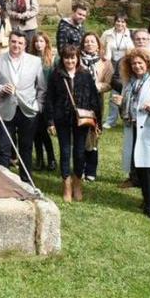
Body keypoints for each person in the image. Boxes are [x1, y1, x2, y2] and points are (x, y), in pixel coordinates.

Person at [114, 47, 150, 220]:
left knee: (148, 169)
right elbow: (130, 104)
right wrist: (122, 102)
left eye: (140, 63)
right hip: (132, 129)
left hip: (149, 131)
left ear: (148, 64)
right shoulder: (129, 83)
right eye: (133, 64)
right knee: (138, 166)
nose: (137, 66)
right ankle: (146, 199)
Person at [0, 31, 47, 184]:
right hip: (5, 109)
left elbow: (41, 87)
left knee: (26, 148)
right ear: (9, 42)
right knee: (3, 148)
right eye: (14, 42)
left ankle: (26, 181)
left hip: (27, 109)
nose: (16, 45)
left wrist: (38, 105)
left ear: (25, 45)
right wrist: (1, 88)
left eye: (20, 43)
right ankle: (1, 182)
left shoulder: (35, 61)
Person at [45, 44, 101, 202]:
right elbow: (49, 99)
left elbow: (94, 99)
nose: (70, 60)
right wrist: (50, 121)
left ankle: (77, 182)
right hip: (61, 118)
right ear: (62, 59)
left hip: (81, 120)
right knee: (65, 152)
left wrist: (97, 122)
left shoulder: (85, 75)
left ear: (77, 58)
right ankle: (67, 184)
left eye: (73, 57)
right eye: (67, 57)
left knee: (79, 152)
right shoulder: (56, 75)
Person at [79, 32, 112, 182]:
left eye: (92, 42)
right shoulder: (78, 60)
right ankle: (79, 167)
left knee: (93, 134)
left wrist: (98, 86)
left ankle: (91, 170)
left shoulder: (105, 63)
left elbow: (109, 82)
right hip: (79, 102)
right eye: (86, 42)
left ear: (98, 45)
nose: (89, 44)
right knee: (80, 134)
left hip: (96, 103)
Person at [100, 14, 133, 129]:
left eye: (123, 22)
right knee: (113, 92)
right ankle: (111, 120)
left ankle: (127, 116)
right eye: (118, 21)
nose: (120, 24)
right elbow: (101, 46)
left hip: (125, 65)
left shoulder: (130, 35)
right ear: (114, 22)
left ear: (126, 23)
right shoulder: (107, 33)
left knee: (126, 91)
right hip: (111, 64)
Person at [31, 33, 57, 172]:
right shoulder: (30, 58)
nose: (38, 44)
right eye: (36, 41)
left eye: (41, 41)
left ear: (46, 43)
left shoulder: (52, 59)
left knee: (44, 130)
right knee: (35, 131)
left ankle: (51, 158)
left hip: (48, 98)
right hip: (33, 97)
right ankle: (40, 159)